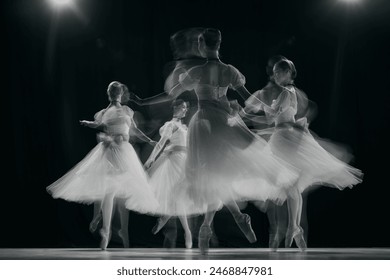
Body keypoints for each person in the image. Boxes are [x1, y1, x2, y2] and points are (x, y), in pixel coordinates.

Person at [131, 28, 298, 254]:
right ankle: (225, 222)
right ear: (219, 44)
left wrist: (145, 100)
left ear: (201, 46)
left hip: (203, 124)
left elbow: (172, 93)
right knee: (218, 174)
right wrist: (268, 110)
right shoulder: (229, 71)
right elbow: (246, 96)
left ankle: (210, 226)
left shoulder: (198, 71)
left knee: (207, 175)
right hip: (224, 123)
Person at [244, 59, 363, 250]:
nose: (275, 76)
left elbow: (272, 115)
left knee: (279, 181)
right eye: (274, 72)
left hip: (283, 139)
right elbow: (286, 115)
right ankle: (294, 226)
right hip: (284, 136)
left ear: (288, 73)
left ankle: (291, 227)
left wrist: (249, 111)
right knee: (291, 187)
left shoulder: (285, 92)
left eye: (279, 72)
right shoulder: (294, 92)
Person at [47, 81, 158, 250]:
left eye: (115, 92)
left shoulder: (121, 111)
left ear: (117, 94)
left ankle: (107, 228)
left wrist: (149, 140)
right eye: (114, 93)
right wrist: (89, 123)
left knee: (114, 190)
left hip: (120, 150)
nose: (115, 95)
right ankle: (106, 230)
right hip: (113, 150)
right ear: (114, 94)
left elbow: (132, 130)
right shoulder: (108, 112)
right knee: (111, 190)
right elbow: (101, 125)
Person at [143, 99, 193, 249]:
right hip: (175, 162)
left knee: (180, 196)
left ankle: (167, 219)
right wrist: (151, 159)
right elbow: (161, 143)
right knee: (179, 197)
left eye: (186, 108)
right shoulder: (171, 125)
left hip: (184, 161)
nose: (185, 110)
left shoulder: (184, 126)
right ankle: (187, 232)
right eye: (183, 107)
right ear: (176, 107)